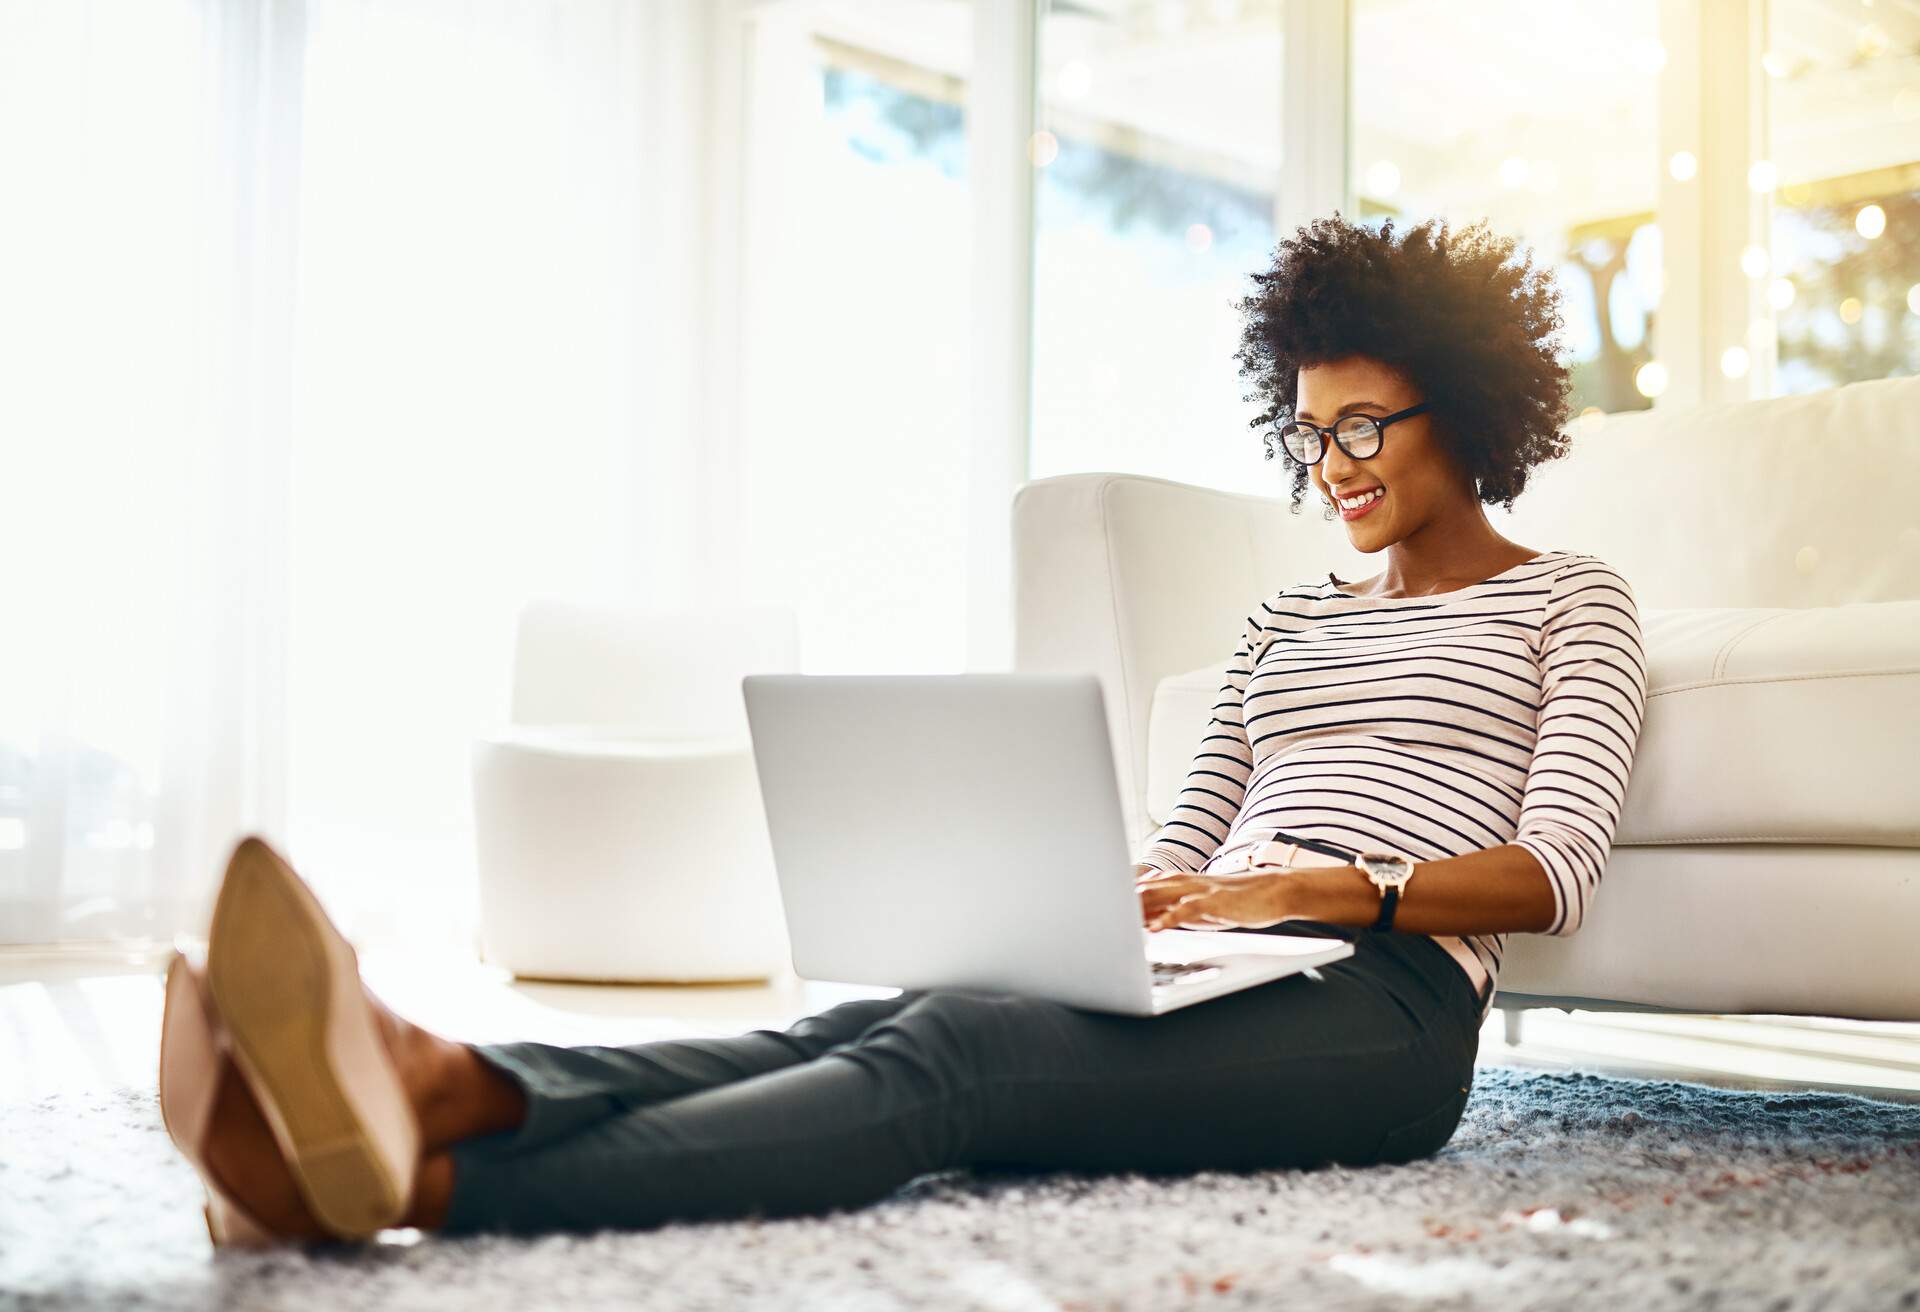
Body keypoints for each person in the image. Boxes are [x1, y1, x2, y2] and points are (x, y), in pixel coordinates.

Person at [156, 213, 1649, 1246]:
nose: (1335, 464)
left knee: (957, 1066)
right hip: (1220, 958)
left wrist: (1334, 891)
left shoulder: (1573, 601)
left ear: (1460, 410)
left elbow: (1557, 867)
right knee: (873, 1019)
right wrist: (1100, 904)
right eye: (1312, 434)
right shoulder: (1282, 623)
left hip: (1385, 1013)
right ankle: (442, 1081)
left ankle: (424, 1184)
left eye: (1367, 425)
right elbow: (1186, 842)